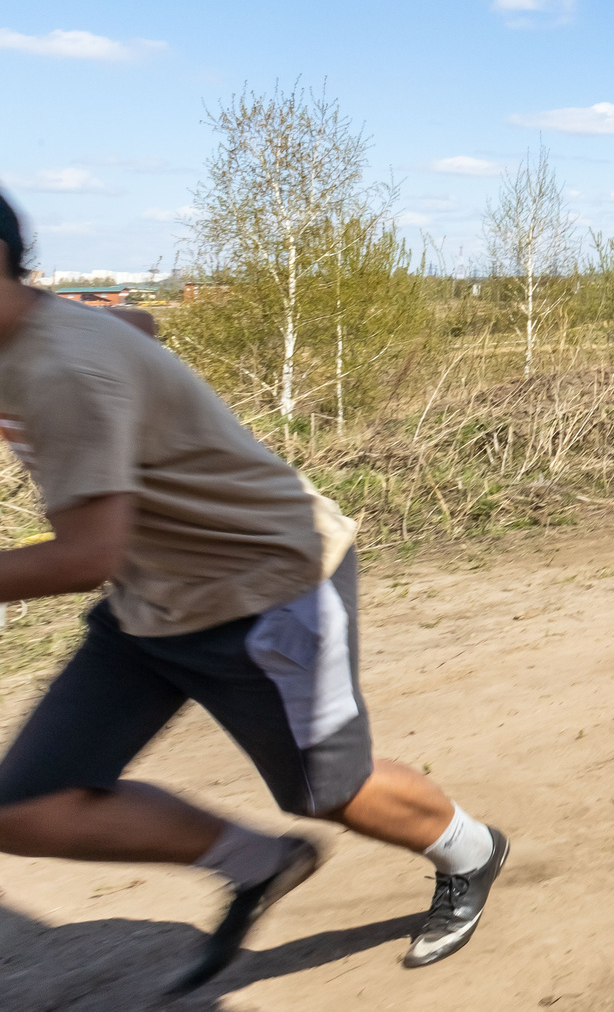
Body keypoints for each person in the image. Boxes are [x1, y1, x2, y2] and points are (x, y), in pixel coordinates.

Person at [0, 190, 508, 994]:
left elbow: (86, 555)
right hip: (154, 599)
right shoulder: (39, 330)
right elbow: (140, 324)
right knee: (27, 803)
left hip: (269, 583)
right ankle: (260, 863)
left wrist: (103, 367)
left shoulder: (63, 366)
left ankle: (472, 850)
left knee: (331, 789)